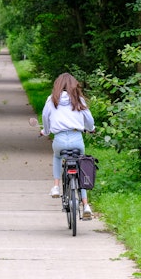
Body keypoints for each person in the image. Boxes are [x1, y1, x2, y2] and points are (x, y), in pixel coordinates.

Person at [40, 73, 95, 220]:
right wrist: (91, 128)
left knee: (57, 157)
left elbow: (45, 117)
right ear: (74, 85)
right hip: (77, 139)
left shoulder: (52, 100)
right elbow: (89, 119)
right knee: (81, 166)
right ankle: (86, 205)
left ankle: (56, 186)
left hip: (59, 139)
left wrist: (45, 131)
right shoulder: (79, 100)